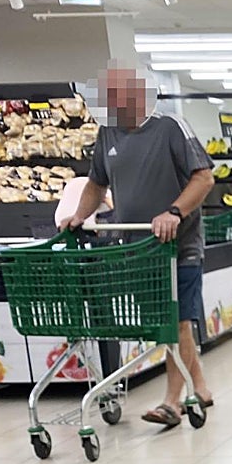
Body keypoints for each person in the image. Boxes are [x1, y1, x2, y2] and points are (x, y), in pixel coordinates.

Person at [61, 62, 215, 428]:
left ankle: (172, 403)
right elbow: (96, 183)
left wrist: (174, 212)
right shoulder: (108, 134)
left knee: (175, 325)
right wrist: (79, 217)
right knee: (168, 325)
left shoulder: (170, 127)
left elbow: (204, 178)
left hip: (178, 246)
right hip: (136, 249)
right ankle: (202, 388)